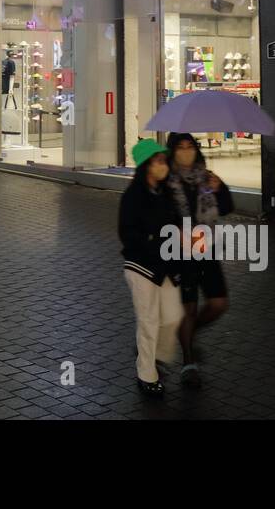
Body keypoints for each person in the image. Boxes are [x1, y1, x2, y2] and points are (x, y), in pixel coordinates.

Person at [165, 132, 233, 389]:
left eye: (189, 146)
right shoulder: (167, 181)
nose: (186, 152)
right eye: (180, 148)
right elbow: (159, 214)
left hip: (206, 247)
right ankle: (188, 363)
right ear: (172, 152)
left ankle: (185, 335)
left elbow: (226, 207)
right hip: (178, 251)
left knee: (218, 303)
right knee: (188, 309)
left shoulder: (206, 177)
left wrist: (219, 190)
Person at [119, 138, 184, 399]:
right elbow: (127, 233)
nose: (163, 165)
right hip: (140, 267)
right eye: (158, 161)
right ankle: (147, 374)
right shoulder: (133, 196)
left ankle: (152, 355)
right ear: (146, 165)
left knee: (172, 317)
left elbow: (177, 224)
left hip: (164, 266)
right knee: (149, 321)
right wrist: (151, 243)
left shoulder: (165, 193)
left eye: (163, 161)